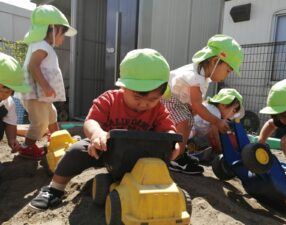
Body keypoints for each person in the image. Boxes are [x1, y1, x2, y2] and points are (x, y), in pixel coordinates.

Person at [28, 48, 180, 210]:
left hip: (139, 156)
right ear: (124, 87)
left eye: (153, 99)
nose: (144, 104)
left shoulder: (158, 110)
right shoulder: (110, 99)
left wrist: (172, 143)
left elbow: (168, 131)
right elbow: (91, 121)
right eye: (137, 97)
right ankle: (55, 189)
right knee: (76, 150)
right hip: (105, 148)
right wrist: (97, 134)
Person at [162, 34, 244, 174]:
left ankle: (179, 153)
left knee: (187, 121)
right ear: (215, 61)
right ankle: (174, 159)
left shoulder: (201, 75)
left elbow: (194, 103)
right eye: (228, 70)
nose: (226, 75)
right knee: (184, 121)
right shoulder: (196, 77)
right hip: (167, 98)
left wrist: (193, 110)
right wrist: (217, 121)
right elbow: (197, 105)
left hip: (176, 100)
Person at [15, 5, 77, 159]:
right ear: (53, 29)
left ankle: (56, 138)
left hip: (40, 94)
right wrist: (46, 86)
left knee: (52, 114)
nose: (63, 39)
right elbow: (33, 65)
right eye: (62, 34)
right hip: (35, 94)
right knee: (40, 121)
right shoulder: (42, 46)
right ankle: (27, 147)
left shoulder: (42, 46)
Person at [258, 77, 286, 178]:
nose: (282, 120)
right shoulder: (284, 120)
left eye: (285, 116)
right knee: (285, 141)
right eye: (279, 116)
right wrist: (261, 142)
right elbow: (270, 124)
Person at [189, 88, 244, 157]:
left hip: (193, 128)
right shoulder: (216, 112)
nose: (232, 115)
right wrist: (219, 149)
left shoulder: (212, 108)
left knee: (199, 139)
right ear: (224, 104)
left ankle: (190, 150)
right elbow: (213, 135)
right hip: (190, 127)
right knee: (192, 133)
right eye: (234, 110)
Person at [0, 53, 31, 152]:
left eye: (7, 92)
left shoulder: (8, 103)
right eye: (0, 90)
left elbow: (10, 123)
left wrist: (12, 139)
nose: (2, 95)